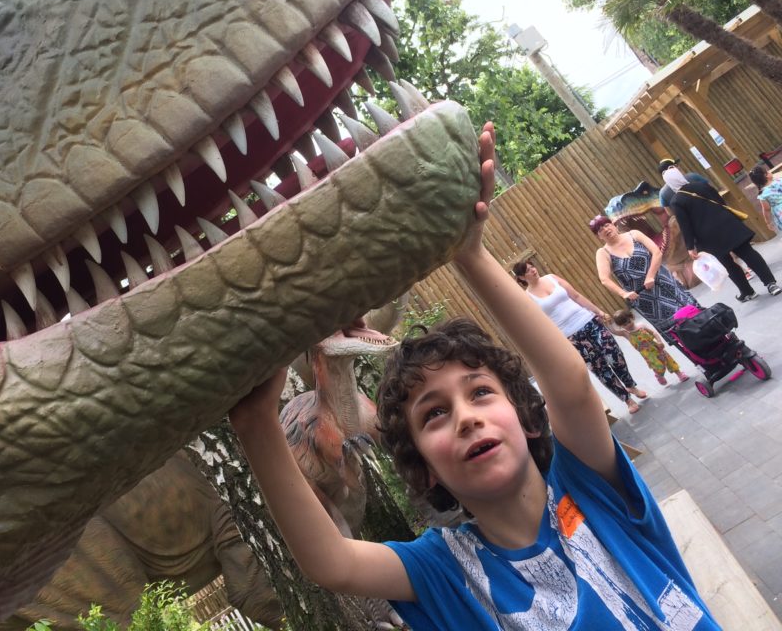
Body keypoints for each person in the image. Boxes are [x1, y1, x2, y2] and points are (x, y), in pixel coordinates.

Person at [229, 123, 719, 631]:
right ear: (426, 470)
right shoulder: (443, 570)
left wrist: (468, 251)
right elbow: (332, 562)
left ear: (527, 418)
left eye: (481, 392)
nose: (465, 418)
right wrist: (254, 422)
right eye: (434, 415)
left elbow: (572, 386)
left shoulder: (591, 489)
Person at [512, 259, 647, 413]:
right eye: (527, 270)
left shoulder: (552, 278)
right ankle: (627, 400)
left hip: (589, 321)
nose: (533, 270)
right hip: (571, 336)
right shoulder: (528, 297)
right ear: (521, 277)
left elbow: (576, 296)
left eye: (532, 266)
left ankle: (630, 385)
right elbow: (540, 323)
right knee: (599, 368)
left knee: (615, 354)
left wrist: (598, 311)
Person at [669, 177, 781, 301]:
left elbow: (685, 226)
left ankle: (747, 291)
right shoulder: (701, 185)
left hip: (708, 237)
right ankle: (771, 284)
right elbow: (720, 201)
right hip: (728, 224)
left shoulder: (676, 201)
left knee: (727, 264)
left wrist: (690, 246)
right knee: (748, 253)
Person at [592, 214, 700, 333]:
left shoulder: (634, 234)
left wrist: (650, 276)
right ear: (599, 236)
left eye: (606, 225)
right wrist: (623, 294)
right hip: (644, 297)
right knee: (675, 329)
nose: (605, 229)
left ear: (613, 225)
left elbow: (656, 253)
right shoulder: (603, 253)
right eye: (600, 230)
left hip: (664, 283)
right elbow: (604, 279)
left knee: (692, 311)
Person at [609, 309, 688, 386]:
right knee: (658, 366)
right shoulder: (625, 333)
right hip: (648, 355)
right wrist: (607, 323)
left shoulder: (641, 326)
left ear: (632, 317)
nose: (628, 325)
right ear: (621, 326)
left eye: (629, 322)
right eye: (624, 325)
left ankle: (679, 374)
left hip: (657, 348)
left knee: (669, 361)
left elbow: (654, 333)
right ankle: (659, 375)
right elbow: (614, 331)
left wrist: (659, 341)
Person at [749, 164, 782, 233]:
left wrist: (768, 222)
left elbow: (766, 210)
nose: (770, 172)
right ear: (766, 175)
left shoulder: (763, 194)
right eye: (768, 171)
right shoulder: (780, 181)